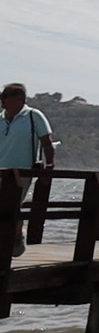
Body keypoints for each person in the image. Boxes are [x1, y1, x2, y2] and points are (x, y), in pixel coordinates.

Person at [2, 83, 55, 258]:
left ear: (19, 99)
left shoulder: (33, 116)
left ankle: (16, 236)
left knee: (12, 204)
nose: (2, 101)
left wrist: (49, 168)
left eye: (5, 97)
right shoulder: (1, 118)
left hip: (22, 172)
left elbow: (47, 143)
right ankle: (12, 235)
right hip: (1, 170)